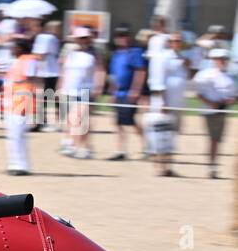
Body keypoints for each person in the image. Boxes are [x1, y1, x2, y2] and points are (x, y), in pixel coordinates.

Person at [145, 32, 192, 177]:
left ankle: (168, 166)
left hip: (178, 103)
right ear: (169, 42)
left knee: (172, 135)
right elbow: (157, 81)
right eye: (174, 41)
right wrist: (162, 102)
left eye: (179, 41)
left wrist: (188, 66)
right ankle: (158, 166)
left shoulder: (182, 59)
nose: (177, 43)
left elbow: (187, 79)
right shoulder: (162, 57)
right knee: (159, 135)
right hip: (164, 104)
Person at [104, 26, 147, 160]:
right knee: (118, 122)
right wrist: (112, 92)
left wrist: (136, 90)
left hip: (129, 92)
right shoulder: (116, 54)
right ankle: (120, 150)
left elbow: (140, 72)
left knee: (131, 122)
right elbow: (113, 76)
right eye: (119, 36)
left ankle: (148, 147)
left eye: (124, 35)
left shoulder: (135, 52)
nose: (121, 39)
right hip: (118, 93)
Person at [1, 35, 41, 175]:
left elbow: (33, 82)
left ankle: (20, 165)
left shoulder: (29, 60)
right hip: (12, 102)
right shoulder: (18, 60)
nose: (11, 49)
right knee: (13, 135)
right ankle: (16, 163)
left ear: (21, 47)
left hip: (21, 102)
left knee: (17, 135)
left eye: (14, 46)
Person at [58, 27, 101, 159]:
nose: (83, 41)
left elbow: (101, 71)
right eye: (80, 38)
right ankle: (86, 147)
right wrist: (59, 86)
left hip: (85, 90)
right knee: (75, 121)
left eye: (85, 38)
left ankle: (73, 146)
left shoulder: (94, 54)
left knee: (77, 119)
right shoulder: (70, 54)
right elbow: (64, 71)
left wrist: (99, 86)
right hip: (69, 89)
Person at [193, 47, 235, 178]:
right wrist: (211, 103)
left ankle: (213, 165)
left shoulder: (230, 76)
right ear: (214, 60)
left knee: (217, 140)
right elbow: (198, 93)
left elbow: (235, 95)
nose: (223, 61)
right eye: (220, 59)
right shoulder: (205, 75)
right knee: (214, 140)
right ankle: (211, 166)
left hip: (222, 110)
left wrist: (231, 100)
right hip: (210, 111)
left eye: (225, 59)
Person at [32, 19, 62, 130]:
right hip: (46, 71)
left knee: (48, 98)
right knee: (49, 98)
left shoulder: (45, 38)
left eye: (35, 26)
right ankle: (43, 121)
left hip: (48, 72)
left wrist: (33, 56)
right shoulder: (44, 37)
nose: (33, 29)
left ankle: (45, 122)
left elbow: (40, 55)